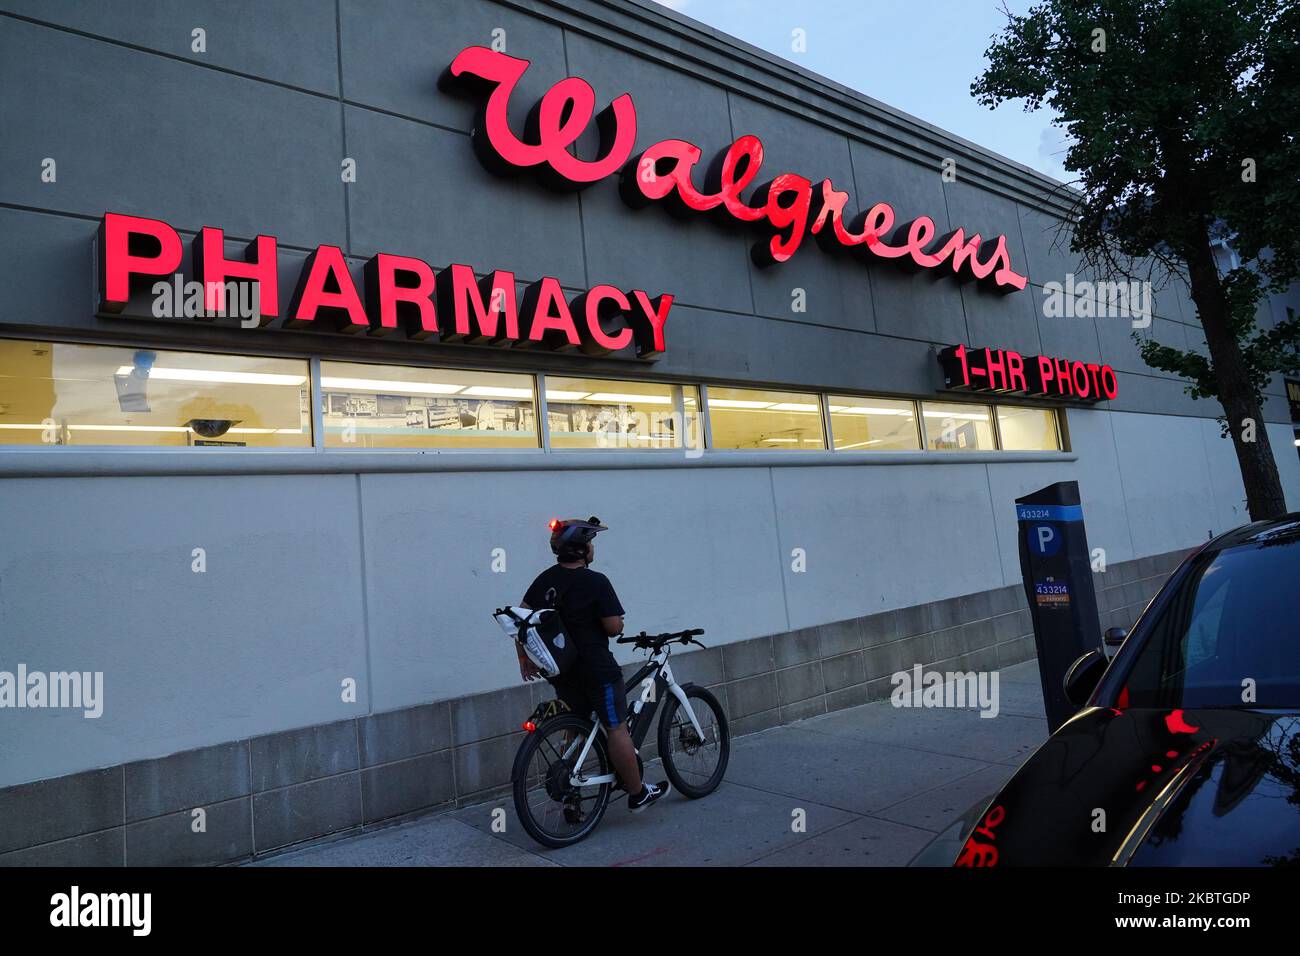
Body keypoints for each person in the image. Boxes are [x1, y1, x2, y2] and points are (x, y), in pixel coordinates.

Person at [518, 516, 669, 814]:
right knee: (617, 730)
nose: (593, 549)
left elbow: (520, 619)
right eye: (590, 543)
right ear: (582, 549)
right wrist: (618, 621)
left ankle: (569, 791)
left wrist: (524, 658)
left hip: (563, 673)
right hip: (597, 670)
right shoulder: (596, 581)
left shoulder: (545, 580)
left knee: (575, 727)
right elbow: (613, 627)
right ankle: (637, 794)